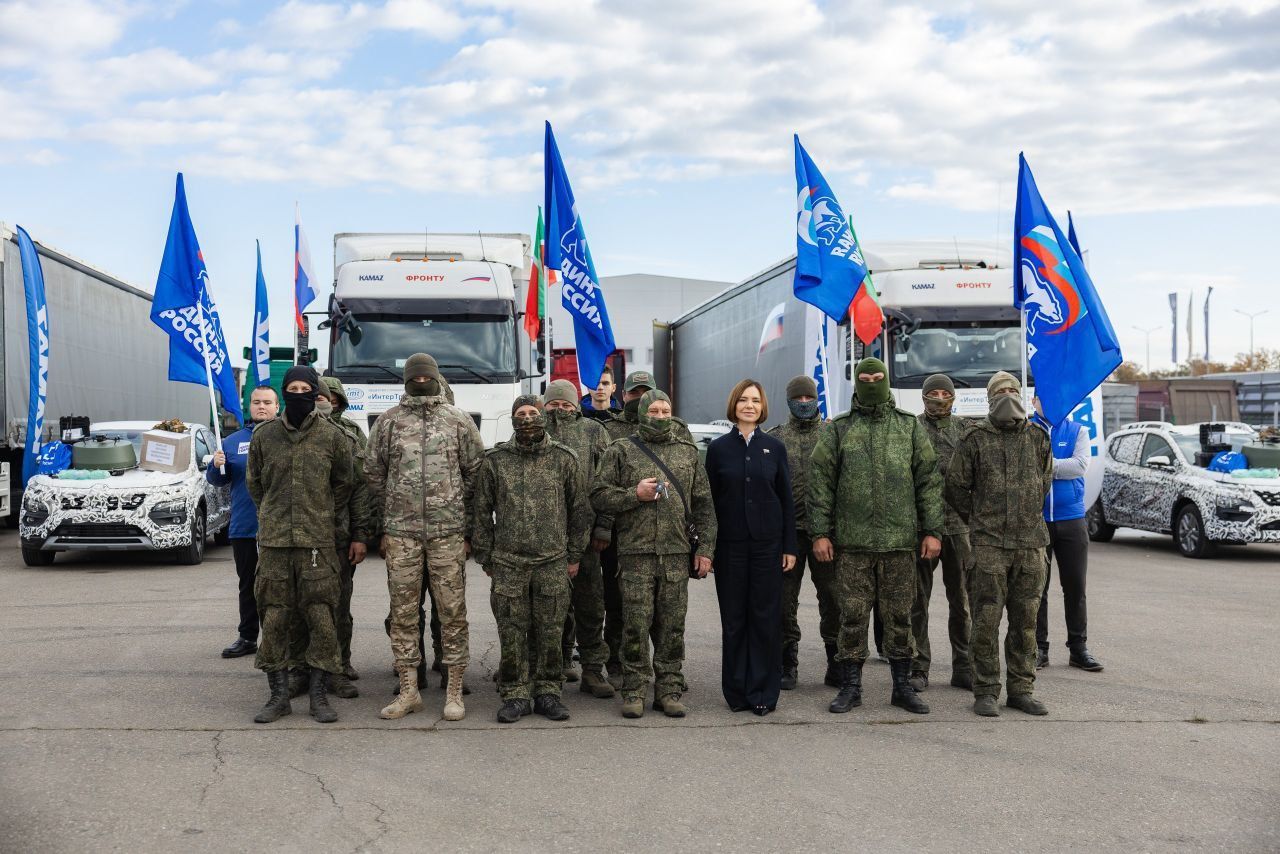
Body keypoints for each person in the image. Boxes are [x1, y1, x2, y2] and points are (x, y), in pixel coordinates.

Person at [809, 357, 941, 716]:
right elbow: (820, 484)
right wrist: (820, 533)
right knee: (850, 616)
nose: (870, 382)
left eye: (877, 377)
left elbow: (928, 481)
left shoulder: (909, 428)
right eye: (864, 378)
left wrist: (932, 530)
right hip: (853, 545)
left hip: (900, 543)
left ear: (885, 382)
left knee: (900, 617)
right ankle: (851, 687)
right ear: (856, 382)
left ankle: (902, 687)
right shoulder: (838, 429)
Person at [365, 352, 484, 721]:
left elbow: (476, 473)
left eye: (425, 376)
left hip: (448, 534)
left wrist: (463, 526)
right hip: (402, 535)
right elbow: (372, 473)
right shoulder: (388, 422)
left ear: (436, 377)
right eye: (414, 377)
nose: (420, 382)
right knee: (403, 614)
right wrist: (388, 522)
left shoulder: (457, 420)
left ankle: (453, 691)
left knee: (452, 612)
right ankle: (408, 690)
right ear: (405, 380)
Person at [591, 389, 717, 718]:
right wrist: (634, 494)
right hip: (635, 554)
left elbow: (704, 506)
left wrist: (705, 549)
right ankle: (634, 690)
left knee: (671, 627)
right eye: (654, 411)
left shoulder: (687, 452)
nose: (660, 416)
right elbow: (599, 495)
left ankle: (669, 689)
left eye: (665, 411)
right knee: (634, 625)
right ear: (643, 413)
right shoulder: (622, 450)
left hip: (675, 554)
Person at [246, 366, 356, 724]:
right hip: (276, 543)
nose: (297, 394)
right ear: (284, 392)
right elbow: (256, 485)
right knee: (275, 617)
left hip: (317, 543)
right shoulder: (265, 436)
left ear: (314, 393)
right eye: (291, 389)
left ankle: (320, 696)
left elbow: (344, 484)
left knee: (322, 617)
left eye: (304, 388)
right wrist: (274, 515)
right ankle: (278, 696)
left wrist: (319, 512)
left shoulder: (333, 436)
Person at [473, 396, 592, 723]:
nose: (527, 418)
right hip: (509, 563)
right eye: (520, 414)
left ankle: (548, 692)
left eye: (532, 413)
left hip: (552, 562)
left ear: (542, 416)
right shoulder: (495, 461)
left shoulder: (563, 459)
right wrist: (486, 556)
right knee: (511, 631)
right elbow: (481, 512)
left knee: (551, 631)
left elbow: (579, 511)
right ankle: (514, 694)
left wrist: (574, 554)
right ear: (512, 419)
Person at [946, 372, 1054, 717]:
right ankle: (987, 691)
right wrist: (979, 521)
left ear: (1021, 395)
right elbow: (955, 486)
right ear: (990, 398)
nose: (1007, 395)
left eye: (1012, 390)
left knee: (1026, 623)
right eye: (1000, 392)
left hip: (1030, 545)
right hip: (989, 547)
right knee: (985, 622)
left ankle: (1022, 689)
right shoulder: (974, 438)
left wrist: (1025, 514)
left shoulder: (1038, 437)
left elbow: (1045, 480)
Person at [597, 369, 694, 688]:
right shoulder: (611, 432)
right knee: (622, 608)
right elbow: (598, 488)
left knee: (668, 617)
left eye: (648, 394)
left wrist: (702, 544)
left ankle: (668, 677)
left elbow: (695, 489)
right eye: (635, 394)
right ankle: (621, 668)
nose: (642, 400)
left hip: (670, 541)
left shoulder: (680, 435)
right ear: (625, 396)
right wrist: (606, 523)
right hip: (621, 536)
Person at [705, 380, 796, 715]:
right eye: (743, 399)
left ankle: (762, 691)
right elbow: (709, 504)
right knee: (734, 619)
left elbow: (786, 500)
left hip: (766, 548)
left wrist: (789, 546)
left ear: (762, 407)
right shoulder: (718, 450)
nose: (749, 405)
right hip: (730, 548)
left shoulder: (774, 447)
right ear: (734, 405)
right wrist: (708, 548)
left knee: (764, 619)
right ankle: (737, 691)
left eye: (755, 400)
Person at [283, 377, 372, 701]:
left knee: (336, 606)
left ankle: (336, 667)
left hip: (335, 537)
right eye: (319, 396)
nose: (325, 402)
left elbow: (360, 489)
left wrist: (360, 535)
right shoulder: (283, 435)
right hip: (295, 538)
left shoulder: (347, 437)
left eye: (331, 398)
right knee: (295, 608)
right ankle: (299, 669)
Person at [542, 380, 616, 699]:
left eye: (566, 403)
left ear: (576, 404)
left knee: (589, 606)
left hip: (585, 537)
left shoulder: (593, 432)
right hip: (542, 540)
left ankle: (592, 671)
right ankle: (551, 667)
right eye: (554, 403)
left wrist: (604, 525)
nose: (560, 408)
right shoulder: (533, 430)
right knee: (548, 608)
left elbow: (609, 480)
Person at [768, 375, 840, 689]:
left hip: (827, 534)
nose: (804, 403)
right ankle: (787, 663)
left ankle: (836, 662)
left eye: (809, 398)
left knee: (834, 600)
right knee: (784, 603)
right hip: (788, 535)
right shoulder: (775, 438)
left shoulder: (833, 434)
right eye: (798, 399)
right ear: (788, 401)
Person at [909, 374, 974, 692]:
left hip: (959, 529)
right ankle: (919, 666)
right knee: (917, 601)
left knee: (961, 601)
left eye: (944, 393)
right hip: (922, 529)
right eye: (932, 393)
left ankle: (963, 665)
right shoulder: (912, 428)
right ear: (923, 397)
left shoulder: (966, 430)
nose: (938, 398)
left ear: (953, 397)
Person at [1032, 395, 1103, 672]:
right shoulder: (1027, 430)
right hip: (1036, 520)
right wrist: (1060, 465)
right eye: (1045, 398)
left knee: (1075, 587)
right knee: (1037, 588)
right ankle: (1038, 648)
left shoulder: (1078, 430)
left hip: (1072, 519)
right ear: (1035, 401)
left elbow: (1081, 466)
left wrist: (1046, 466)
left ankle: (1078, 648)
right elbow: (1027, 469)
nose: (1051, 403)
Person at [208, 385, 278, 659]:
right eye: (257, 402)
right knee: (247, 584)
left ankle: (277, 639)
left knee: (277, 588)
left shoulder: (284, 438)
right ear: (249, 406)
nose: (262, 406)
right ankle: (248, 637)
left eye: (267, 402)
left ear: (277, 407)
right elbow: (218, 481)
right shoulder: (232, 442)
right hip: (244, 527)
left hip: (277, 528)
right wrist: (216, 465)